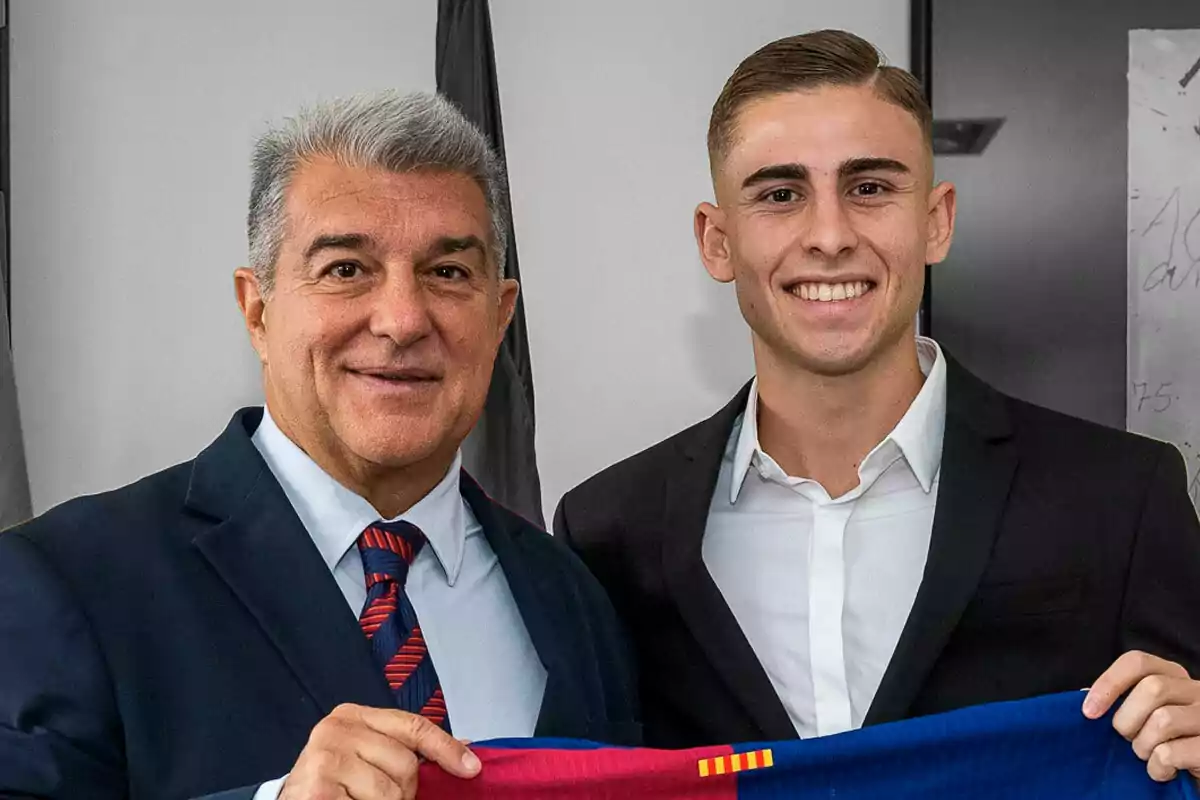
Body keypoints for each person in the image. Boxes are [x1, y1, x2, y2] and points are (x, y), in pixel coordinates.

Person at [555, 29, 1200, 784]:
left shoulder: (1122, 497)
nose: (829, 236)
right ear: (717, 241)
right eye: (780, 194)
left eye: (869, 188)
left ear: (936, 221)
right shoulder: (608, 533)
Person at [0, 91, 638, 800]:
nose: (401, 320)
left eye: (448, 272)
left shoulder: (574, 598)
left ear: (500, 316)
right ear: (257, 309)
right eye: (346, 269)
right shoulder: (66, 580)